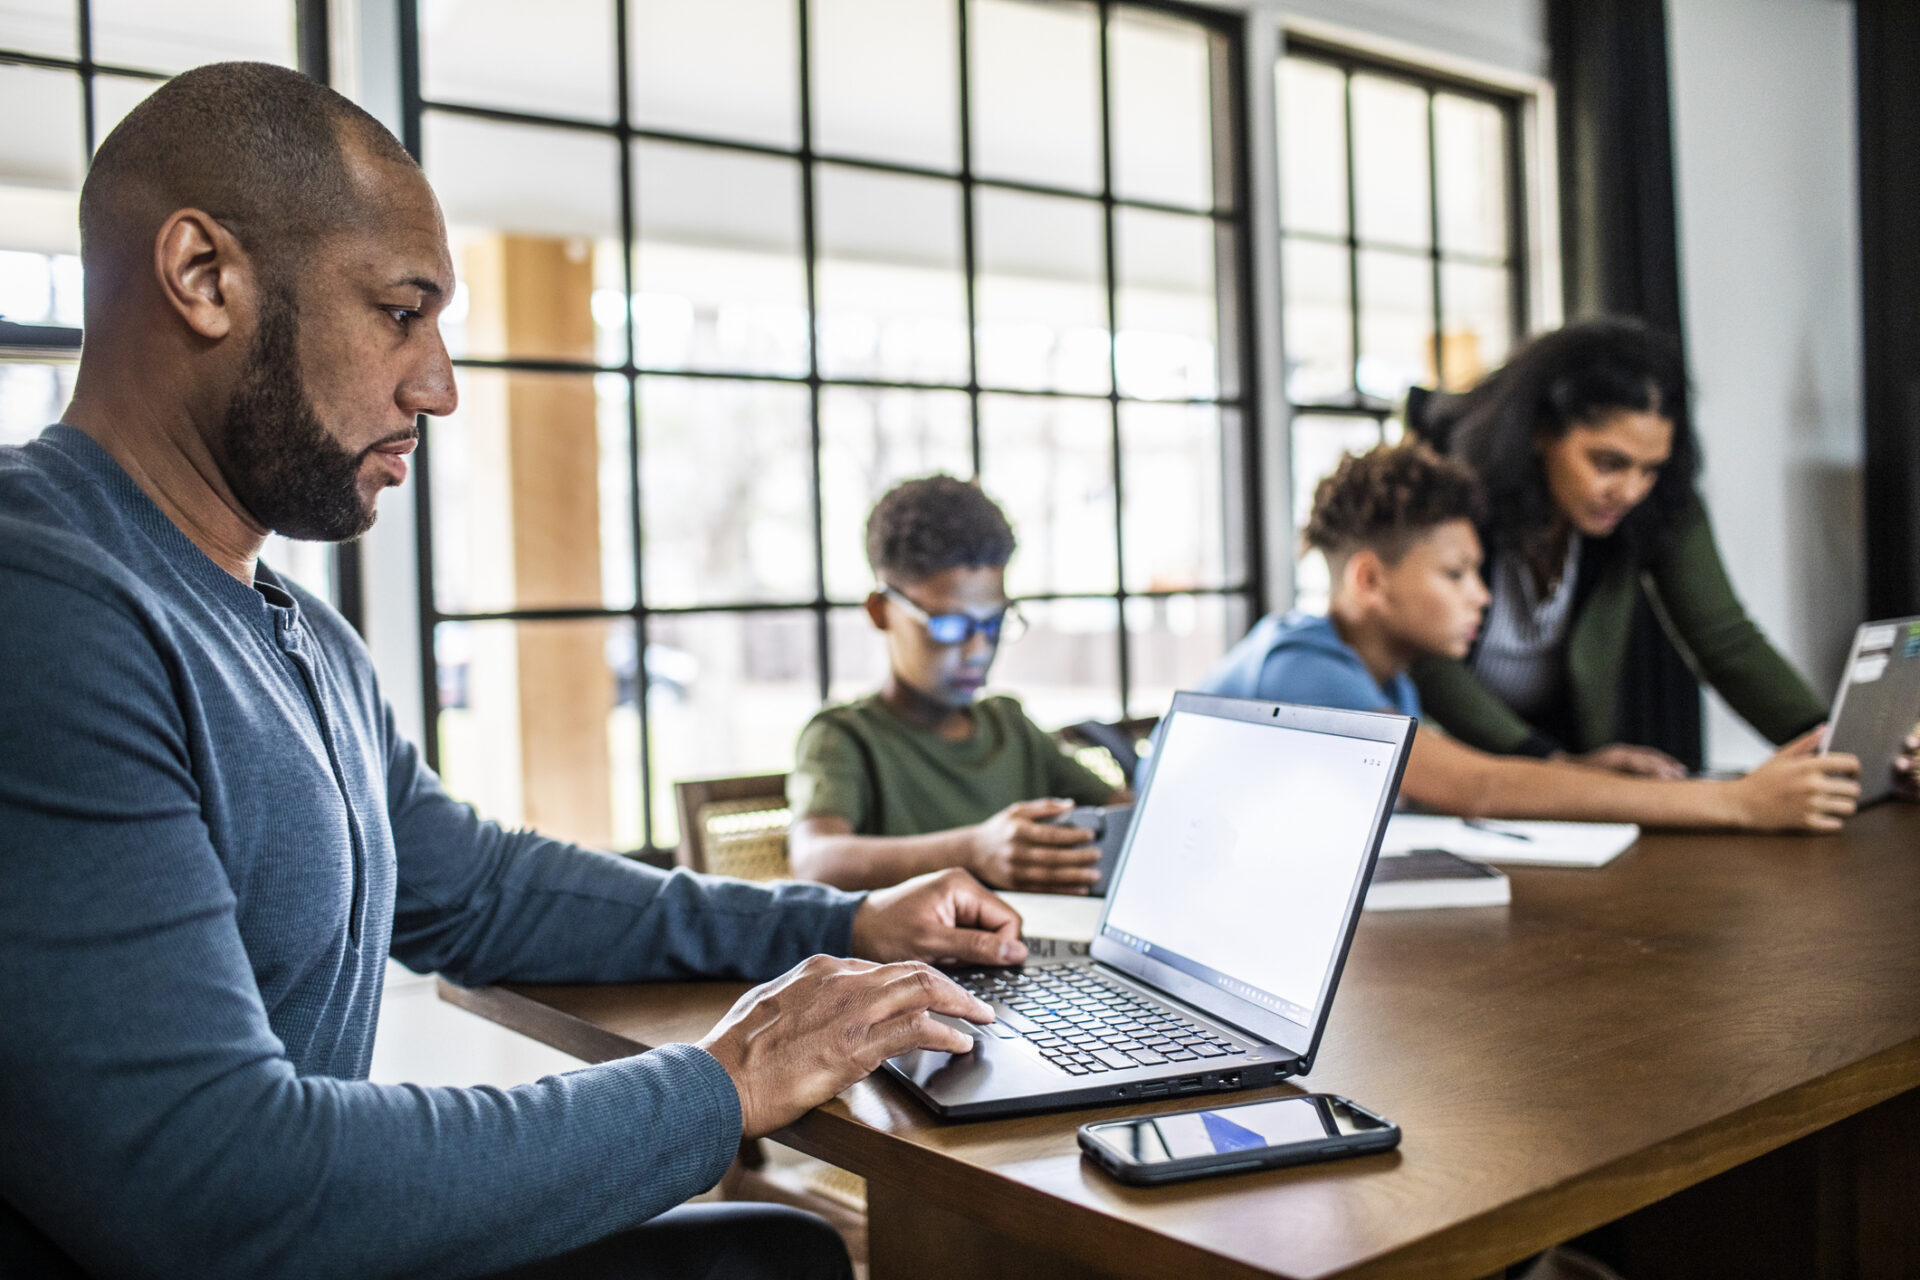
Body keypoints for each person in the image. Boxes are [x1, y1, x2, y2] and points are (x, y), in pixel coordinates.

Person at [0, 63, 1032, 1280]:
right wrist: (721, 1080)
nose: (436, 385)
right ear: (203, 276)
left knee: (773, 1256)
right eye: (401, 311)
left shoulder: (301, 638)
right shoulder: (44, 599)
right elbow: (210, 1177)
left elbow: (483, 888)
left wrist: (842, 921)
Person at [1200, 443, 1863, 829]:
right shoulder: (1303, 668)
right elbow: (1476, 786)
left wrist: (1574, 770)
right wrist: (1738, 802)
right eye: (1456, 574)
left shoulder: (1386, 674)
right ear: (1370, 581)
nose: (1482, 596)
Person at [1407, 317, 1829, 779]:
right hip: (1452, 767)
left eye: (1650, 469)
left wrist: (1828, 743)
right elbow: (1427, 659)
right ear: (1540, 431)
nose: (1630, 491)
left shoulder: (1658, 502)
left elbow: (1726, 641)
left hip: (1565, 759)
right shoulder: (1453, 494)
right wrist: (1550, 764)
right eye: (1609, 463)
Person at [787, 476, 1128, 893]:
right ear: (881, 611)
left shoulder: (1011, 726)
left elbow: (1124, 813)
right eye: (950, 625)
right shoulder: (844, 737)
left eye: (994, 622)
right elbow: (815, 861)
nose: (979, 649)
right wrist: (972, 851)